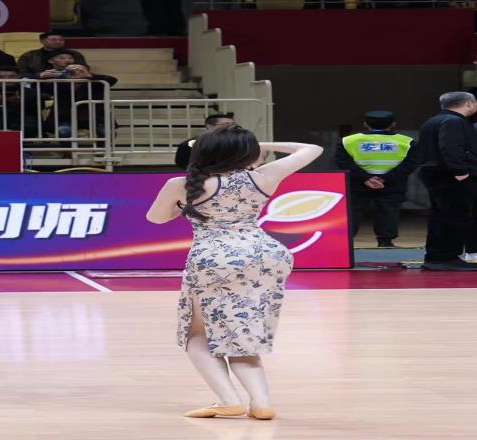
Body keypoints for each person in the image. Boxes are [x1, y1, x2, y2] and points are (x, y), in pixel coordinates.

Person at [147, 125, 323, 419]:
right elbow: (312, 149)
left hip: (216, 259)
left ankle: (228, 400)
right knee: (243, 334)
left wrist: (183, 207)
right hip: (266, 255)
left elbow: (156, 218)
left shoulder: (181, 183)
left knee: (196, 335)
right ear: (249, 152)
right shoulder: (264, 176)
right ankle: (261, 403)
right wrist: (261, 144)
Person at [336, 111, 418, 247]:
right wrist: (385, 179)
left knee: (352, 213)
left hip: (358, 183)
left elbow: (343, 163)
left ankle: (345, 245)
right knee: (388, 212)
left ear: (365, 124)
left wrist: (366, 178)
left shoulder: (348, 141)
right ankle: (385, 243)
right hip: (392, 184)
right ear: (393, 124)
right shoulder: (407, 142)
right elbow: (410, 165)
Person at [419, 91, 477, 271]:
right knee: (455, 217)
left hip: (436, 174)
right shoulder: (454, 122)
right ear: (468, 104)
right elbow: (451, 148)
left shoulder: (433, 121)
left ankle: (436, 257)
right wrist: (461, 172)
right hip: (451, 177)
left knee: (440, 217)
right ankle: (447, 257)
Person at [43, 64, 117, 138]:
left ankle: (101, 146)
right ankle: (68, 146)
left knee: (108, 133)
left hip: (95, 118)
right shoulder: (60, 83)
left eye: (80, 70)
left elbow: (112, 80)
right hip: (66, 119)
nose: (76, 72)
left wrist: (89, 75)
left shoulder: (96, 83)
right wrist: (63, 76)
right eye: (71, 71)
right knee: (64, 131)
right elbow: (44, 87)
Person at [0, 66, 43, 137]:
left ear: (18, 76)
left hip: (21, 127)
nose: (6, 79)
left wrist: (20, 103)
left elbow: (38, 109)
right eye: (0, 77)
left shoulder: (29, 92)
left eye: (11, 76)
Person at [17, 33, 86, 77]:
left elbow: (84, 68)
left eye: (61, 40)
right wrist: (39, 75)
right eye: (53, 40)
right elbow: (21, 72)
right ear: (42, 41)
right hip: (36, 85)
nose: (58, 42)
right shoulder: (30, 55)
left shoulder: (74, 54)